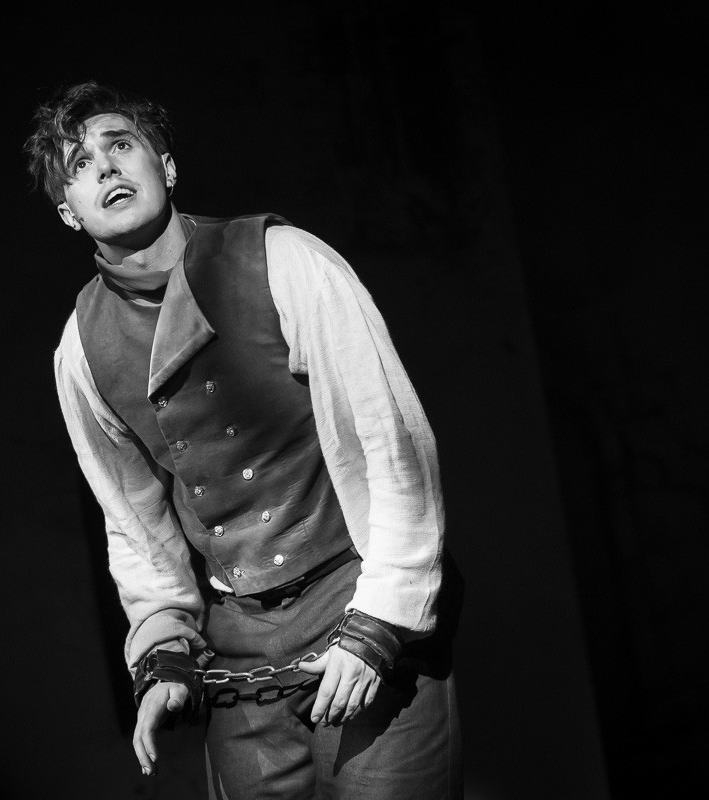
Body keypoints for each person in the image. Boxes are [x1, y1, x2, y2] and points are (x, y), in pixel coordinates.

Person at [27, 80, 462, 799]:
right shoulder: (81, 348)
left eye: (120, 145)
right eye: (79, 165)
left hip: (353, 594)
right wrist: (164, 648)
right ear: (69, 213)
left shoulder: (281, 259)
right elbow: (133, 519)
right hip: (239, 647)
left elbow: (392, 443)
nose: (105, 168)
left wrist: (382, 620)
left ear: (166, 167)